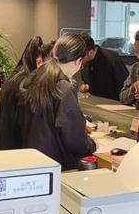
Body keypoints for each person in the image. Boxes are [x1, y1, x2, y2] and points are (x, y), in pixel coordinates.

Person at [18, 34, 96, 169]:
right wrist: (91, 145)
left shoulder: (36, 77)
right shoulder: (64, 87)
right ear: (78, 61)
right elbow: (74, 137)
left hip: (33, 158)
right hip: (56, 163)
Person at [0, 36, 48, 150]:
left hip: (3, 141)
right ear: (39, 61)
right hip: (14, 145)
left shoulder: (16, 75)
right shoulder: (26, 82)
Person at [78, 34, 129, 101]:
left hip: (115, 102)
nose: (78, 60)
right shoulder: (85, 62)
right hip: (95, 101)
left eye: (80, 57)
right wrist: (86, 87)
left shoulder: (111, 58)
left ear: (90, 52)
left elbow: (125, 84)